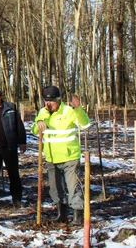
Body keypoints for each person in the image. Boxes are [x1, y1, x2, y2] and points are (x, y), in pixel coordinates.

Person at [32, 86, 90, 225]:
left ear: (59, 100)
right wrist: (39, 122)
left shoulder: (69, 111)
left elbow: (85, 124)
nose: (48, 103)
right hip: (51, 157)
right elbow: (34, 129)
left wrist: (78, 109)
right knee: (55, 188)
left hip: (69, 156)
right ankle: (61, 213)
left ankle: (78, 215)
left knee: (73, 187)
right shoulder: (43, 112)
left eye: (51, 101)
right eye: (46, 100)